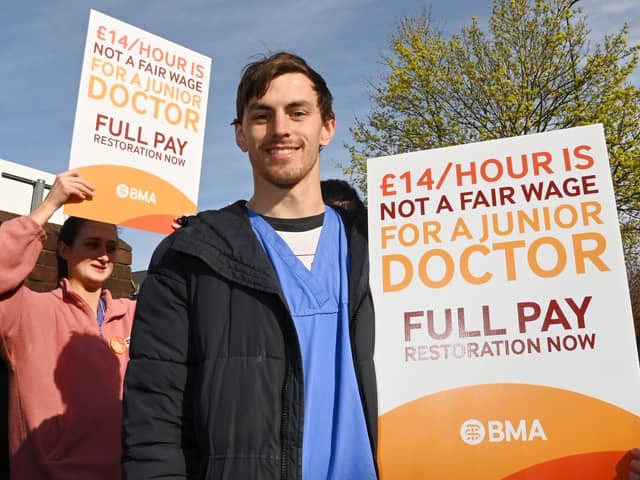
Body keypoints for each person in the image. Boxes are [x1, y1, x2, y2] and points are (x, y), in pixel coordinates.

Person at [122, 52, 378, 479]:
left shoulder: (380, 248)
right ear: (241, 134)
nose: (281, 129)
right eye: (262, 116)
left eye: (298, 112)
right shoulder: (189, 259)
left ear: (327, 127)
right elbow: (154, 429)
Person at [0, 170, 136, 479]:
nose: (103, 255)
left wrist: (185, 243)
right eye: (92, 244)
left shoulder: (133, 315)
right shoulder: (26, 309)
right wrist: (49, 205)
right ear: (64, 249)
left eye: (111, 247)